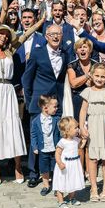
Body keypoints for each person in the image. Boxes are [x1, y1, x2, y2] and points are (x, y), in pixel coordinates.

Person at [22, 24, 69, 187]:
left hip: (57, 103)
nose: (56, 37)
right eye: (52, 34)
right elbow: (26, 79)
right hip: (39, 104)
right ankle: (33, 173)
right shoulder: (37, 53)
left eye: (59, 34)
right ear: (46, 36)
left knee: (55, 139)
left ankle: (54, 173)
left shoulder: (65, 54)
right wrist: (30, 101)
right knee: (37, 140)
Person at [0, 25, 29, 185]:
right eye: (1, 34)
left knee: (12, 126)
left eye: (6, 35)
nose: (4, 37)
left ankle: (18, 167)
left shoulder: (10, 51)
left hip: (8, 91)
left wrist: (41, 21)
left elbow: (24, 36)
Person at [79, 63, 105, 202]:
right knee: (93, 158)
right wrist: (82, 127)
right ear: (91, 74)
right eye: (97, 75)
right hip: (93, 126)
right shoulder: (88, 91)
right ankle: (94, 188)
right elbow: (83, 110)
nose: (99, 79)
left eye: (102, 76)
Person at [53, 117, 86, 208]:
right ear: (67, 130)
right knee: (61, 183)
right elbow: (57, 153)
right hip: (65, 165)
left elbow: (80, 146)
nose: (78, 129)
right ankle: (60, 201)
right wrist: (59, 163)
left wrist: (85, 139)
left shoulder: (76, 140)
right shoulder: (62, 142)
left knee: (73, 181)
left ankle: (72, 198)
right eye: (75, 128)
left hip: (74, 164)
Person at [30, 95, 61, 196]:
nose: (57, 108)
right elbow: (33, 135)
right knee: (44, 169)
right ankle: (46, 185)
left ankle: (57, 186)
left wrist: (61, 145)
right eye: (55, 107)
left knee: (56, 168)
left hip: (54, 149)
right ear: (45, 108)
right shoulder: (35, 121)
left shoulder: (56, 119)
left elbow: (60, 133)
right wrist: (34, 147)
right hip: (43, 150)